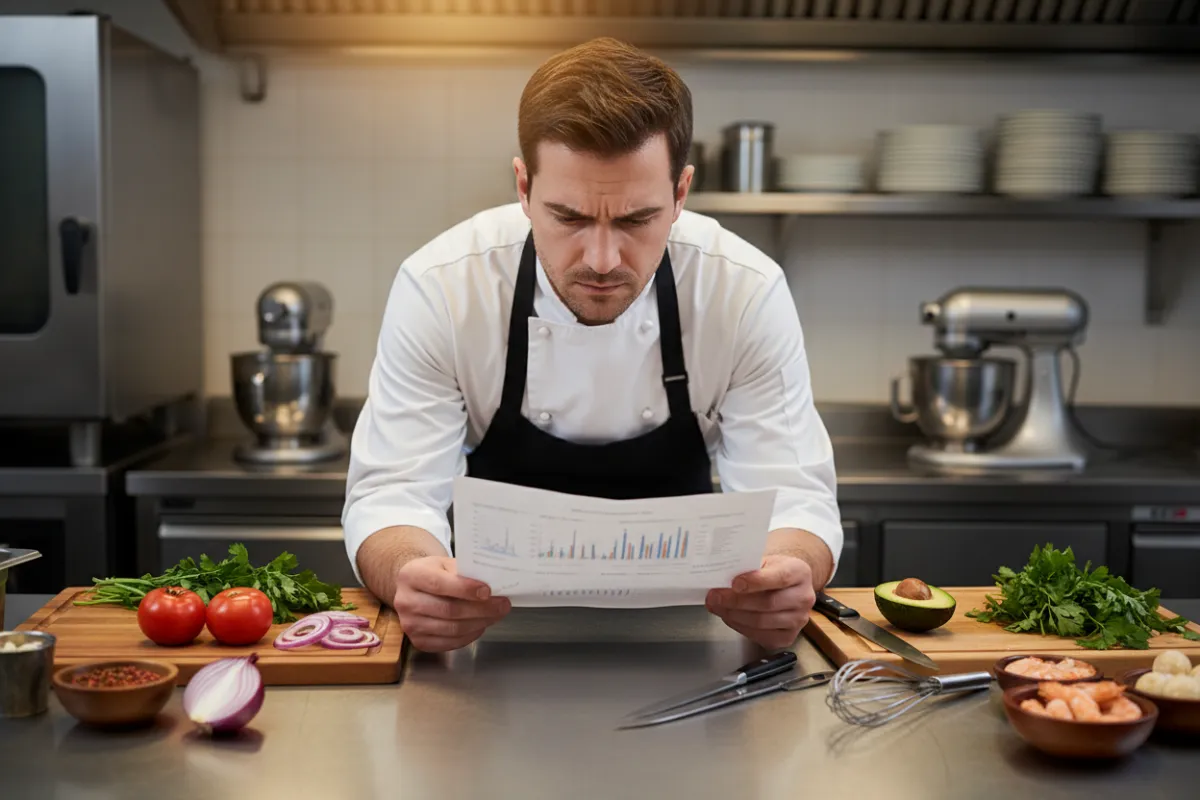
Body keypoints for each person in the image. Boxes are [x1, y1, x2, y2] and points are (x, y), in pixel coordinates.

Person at [343, 37, 841, 653]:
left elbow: (793, 497)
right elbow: (392, 492)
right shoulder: (444, 286)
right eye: (569, 217)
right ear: (522, 186)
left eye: (636, 220)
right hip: (490, 641)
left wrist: (787, 571)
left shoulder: (743, 290)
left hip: (689, 641)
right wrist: (410, 574)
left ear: (681, 192)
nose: (602, 260)